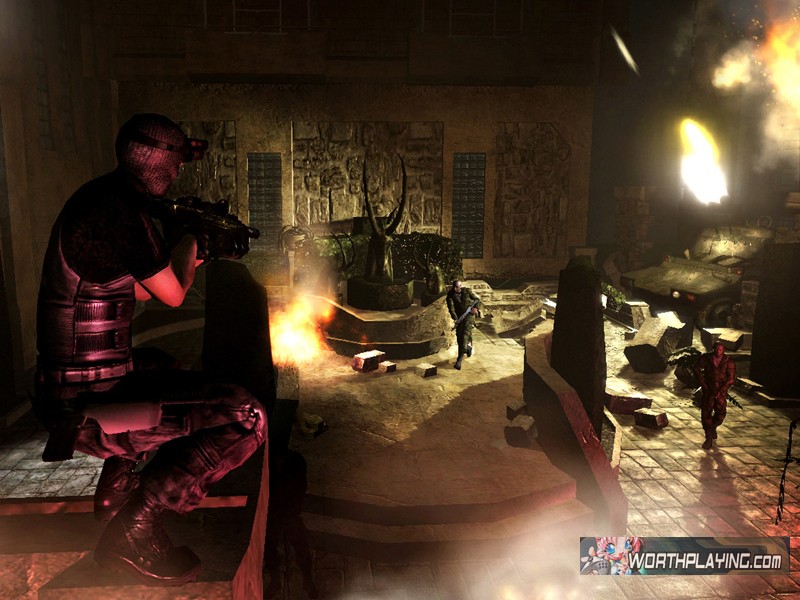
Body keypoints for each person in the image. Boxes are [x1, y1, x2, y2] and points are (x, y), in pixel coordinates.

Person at [34, 113, 266, 586]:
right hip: (86, 406)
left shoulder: (101, 197)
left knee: (164, 366)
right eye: (175, 163)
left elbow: (140, 290)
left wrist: (193, 253)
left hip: (71, 387)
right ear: (159, 162)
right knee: (247, 417)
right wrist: (190, 240)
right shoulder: (120, 210)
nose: (178, 173)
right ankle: (137, 526)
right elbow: (173, 295)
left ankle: (116, 487)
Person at [693, 340, 736, 450]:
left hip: (721, 392)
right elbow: (696, 367)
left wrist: (721, 390)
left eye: (720, 350)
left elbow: (731, 378)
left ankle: (713, 427)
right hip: (708, 390)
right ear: (713, 349)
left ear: (723, 350)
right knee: (706, 413)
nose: (718, 351)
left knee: (721, 414)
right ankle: (708, 438)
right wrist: (702, 382)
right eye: (716, 349)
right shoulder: (706, 358)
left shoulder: (728, 361)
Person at [445, 280, 481, 370]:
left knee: (465, 335)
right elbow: (451, 308)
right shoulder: (450, 295)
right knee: (459, 337)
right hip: (460, 317)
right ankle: (468, 348)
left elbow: (477, 299)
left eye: (459, 286)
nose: (458, 288)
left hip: (469, 316)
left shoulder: (467, 291)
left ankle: (459, 360)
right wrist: (455, 318)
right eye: (456, 287)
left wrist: (475, 308)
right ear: (454, 287)